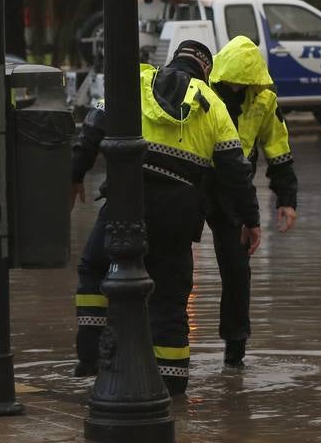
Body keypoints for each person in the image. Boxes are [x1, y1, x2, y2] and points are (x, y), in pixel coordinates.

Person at [70, 40, 260, 396]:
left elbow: (93, 127)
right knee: (170, 300)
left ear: (173, 59)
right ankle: (173, 387)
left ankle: (91, 358)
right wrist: (251, 220)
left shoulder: (136, 83)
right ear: (206, 70)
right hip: (179, 214)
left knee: (94, 269)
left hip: (127, 204)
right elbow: (237, 172)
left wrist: (75, 174)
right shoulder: (214, 106)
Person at [208, 35, 298, 367]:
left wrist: (287, 199)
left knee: (237, 271)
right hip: (196, 184)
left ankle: (235, 353)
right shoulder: (202, 94)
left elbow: (279, 149)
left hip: (234, 193)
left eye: (244, 84)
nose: (239, 89)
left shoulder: (264, 101)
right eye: (233, 83)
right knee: (173, 268)